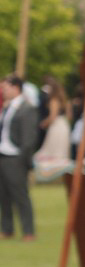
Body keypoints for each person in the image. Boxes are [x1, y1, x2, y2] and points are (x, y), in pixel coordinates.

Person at [0, 74, 38, 240]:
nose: (3, 91)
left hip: (16, 158)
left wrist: (23, 160)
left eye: (5, 88)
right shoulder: (8, 107)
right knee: (3, 196)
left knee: (20, 195)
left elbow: (28, 139)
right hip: (3, 155)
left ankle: (28, 231)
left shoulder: (27, 108)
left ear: (16, 88)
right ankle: (7, 229)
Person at [36, 75, 72, 164]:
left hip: (56, 125)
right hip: (64, 125)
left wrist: (44, 123)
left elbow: (53, 116)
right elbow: (70, 116)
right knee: (61, 150)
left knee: (53, 149)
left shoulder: (54, 100)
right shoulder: (66, 101)